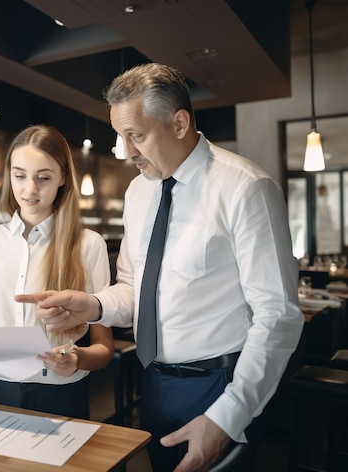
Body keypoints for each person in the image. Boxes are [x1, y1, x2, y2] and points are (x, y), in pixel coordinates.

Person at [16, 63, 304, 471]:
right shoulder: (139, 192)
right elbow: (135, 285)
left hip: (220, 385)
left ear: (180, 123)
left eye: (135, 135)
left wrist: (227, 416)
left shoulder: (245, 188)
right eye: (119, 135)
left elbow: (278, 316)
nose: (125, 150)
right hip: (153, 381)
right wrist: (93, 304)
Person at [0, 124, 114, 420]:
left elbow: (104, 346)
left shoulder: (88, 245)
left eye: (43, 178)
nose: (29, 189)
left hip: (61, 394)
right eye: (19, 176)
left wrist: (77, 359)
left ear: (62, 179)